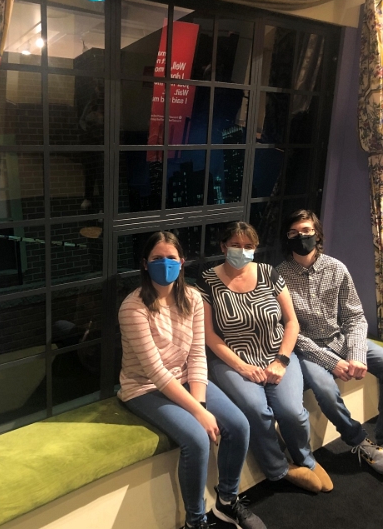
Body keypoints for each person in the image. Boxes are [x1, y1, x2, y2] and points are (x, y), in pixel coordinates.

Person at [118, 231, 267, 529]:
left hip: (186, 379)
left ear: (182, 262)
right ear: (145, 264)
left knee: (239, 425)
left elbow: (197, 355)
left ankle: (227, 501)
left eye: (171, 258)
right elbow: (156, 373)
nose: (165, 264)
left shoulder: (193, 299)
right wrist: (199, 412)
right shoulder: (133, 308)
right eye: (157, 258)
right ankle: (195, 521)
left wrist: (200, 404)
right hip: (145, 387)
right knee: (197, 439)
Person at [196, 222, 332, 494]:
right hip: (232, 361)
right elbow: (209, 335)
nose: (242, 250)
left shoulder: (269, 273)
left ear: (255, 248)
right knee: (256, 410)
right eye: (235, 245)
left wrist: (281, 361)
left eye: (248, 246)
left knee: (292, 412)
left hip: (276, 355)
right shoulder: (207, 281)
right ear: (223, 247)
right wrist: (242, 367)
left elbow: (291, 322)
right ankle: (279, 468)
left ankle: (305, 458)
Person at [277, 209, 383, 474]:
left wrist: (356, 354)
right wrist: (331, 362)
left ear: (317, 234)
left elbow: (354, 316)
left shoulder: (336, 268)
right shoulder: (279, 277)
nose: (300, 237)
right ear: (286, 238)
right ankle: (359, 440)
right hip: (308, 350)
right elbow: (290, 331)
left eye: (306, 231)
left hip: (341, 339)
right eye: (293, 233)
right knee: (325, 390)